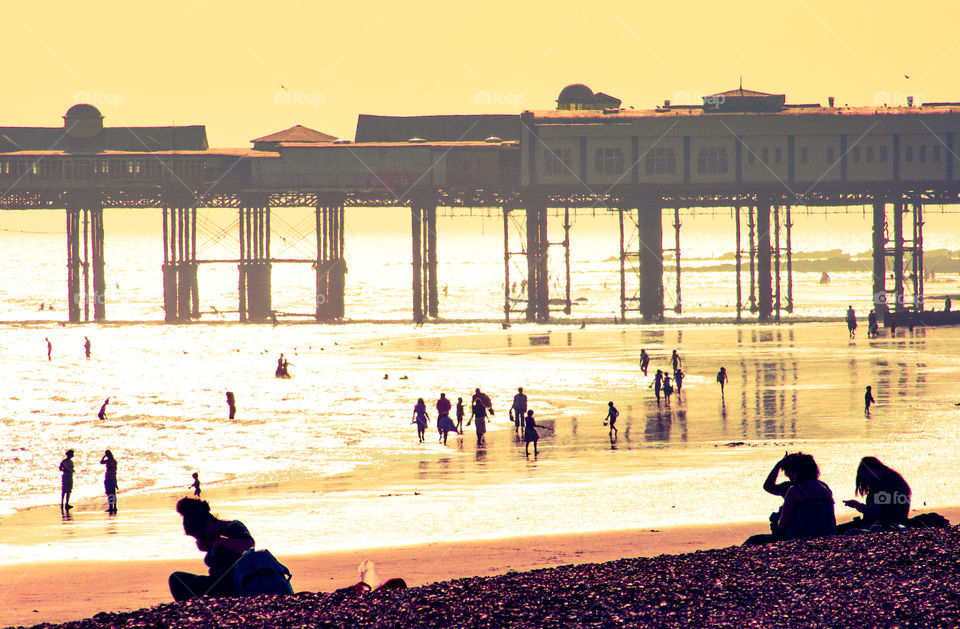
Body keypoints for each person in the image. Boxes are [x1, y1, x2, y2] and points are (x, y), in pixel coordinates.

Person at [168, 497, 255, 601]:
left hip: (235, 582)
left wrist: (221, 541)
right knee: (176, 578)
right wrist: (208, 546)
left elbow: (249, 544)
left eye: (201, 536)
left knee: (196, 583)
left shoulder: (233, 527)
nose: (201, 540)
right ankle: (186, 609)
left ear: (209, 525)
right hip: (216, 581)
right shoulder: (212, 538)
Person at [744, 453, 836, 544]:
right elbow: (768, 487)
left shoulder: (794, 490)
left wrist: (778, 465)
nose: (788, 475)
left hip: (800, 536)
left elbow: (783, 525)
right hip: (828, 533)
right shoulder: (824, 487)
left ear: (795, 472)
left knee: (752, 541)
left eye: (789, 472)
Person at [840, 457, 911, 532]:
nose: (866, 481)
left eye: (864, 476)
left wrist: (858, 506)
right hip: (897, 522)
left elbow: (875, 512)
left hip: (884, 525)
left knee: (840, 530)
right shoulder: (894, 478)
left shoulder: (885, 483)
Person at [100, 450, 118, 515]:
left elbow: (101, 462)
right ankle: (114, 507)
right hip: (113, 477)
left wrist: (104, 456)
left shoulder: (108, 461)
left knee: (109, 493)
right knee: (113, 493)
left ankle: (111, 507)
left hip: (109, 477)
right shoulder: (114, 461)